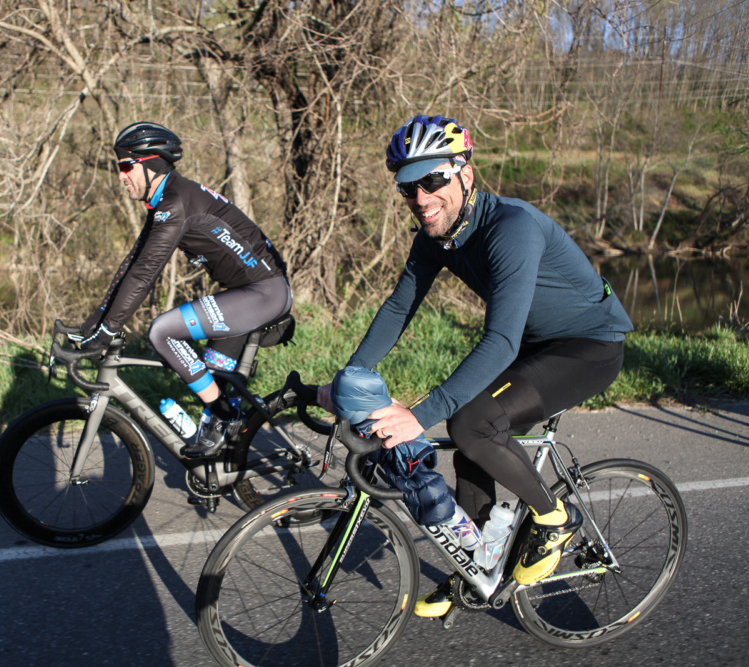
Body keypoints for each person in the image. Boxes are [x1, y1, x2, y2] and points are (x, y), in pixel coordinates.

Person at [318, 114, 633, 617]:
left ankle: (554, 517)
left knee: (470, 423)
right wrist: (349, 380)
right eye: (408, 187)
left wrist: (418, 416)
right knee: (472, 448)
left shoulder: (513, 227)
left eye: (432, 180)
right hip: (534, 346)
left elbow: (501, 341)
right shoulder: (435, 237)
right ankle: (478, 566)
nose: (421, 198)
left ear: (465, 174)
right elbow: (399, 309)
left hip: (587, 345)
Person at [75, 121, 292, 458]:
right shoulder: (167, 199)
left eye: (126, 166)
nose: (120, 176)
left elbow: (144, 275)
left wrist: (109, 330)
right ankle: (222, 456)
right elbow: (132, 263)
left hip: (263, 294)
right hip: (248, 293)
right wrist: (95, 322)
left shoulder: (175, 203)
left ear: (150, 164)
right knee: (212, 376)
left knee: (162, 331)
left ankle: (226, 416)